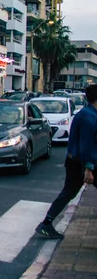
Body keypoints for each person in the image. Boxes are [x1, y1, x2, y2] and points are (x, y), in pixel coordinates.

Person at [35, 84, 97, 239]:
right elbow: (87, 144)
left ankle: (46, 223)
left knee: (68, 192)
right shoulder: (89, 117)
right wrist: (89, 168)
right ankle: (46, 224)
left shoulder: (87, 113)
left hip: (76, 161)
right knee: (68, 192)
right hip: (82, 163)